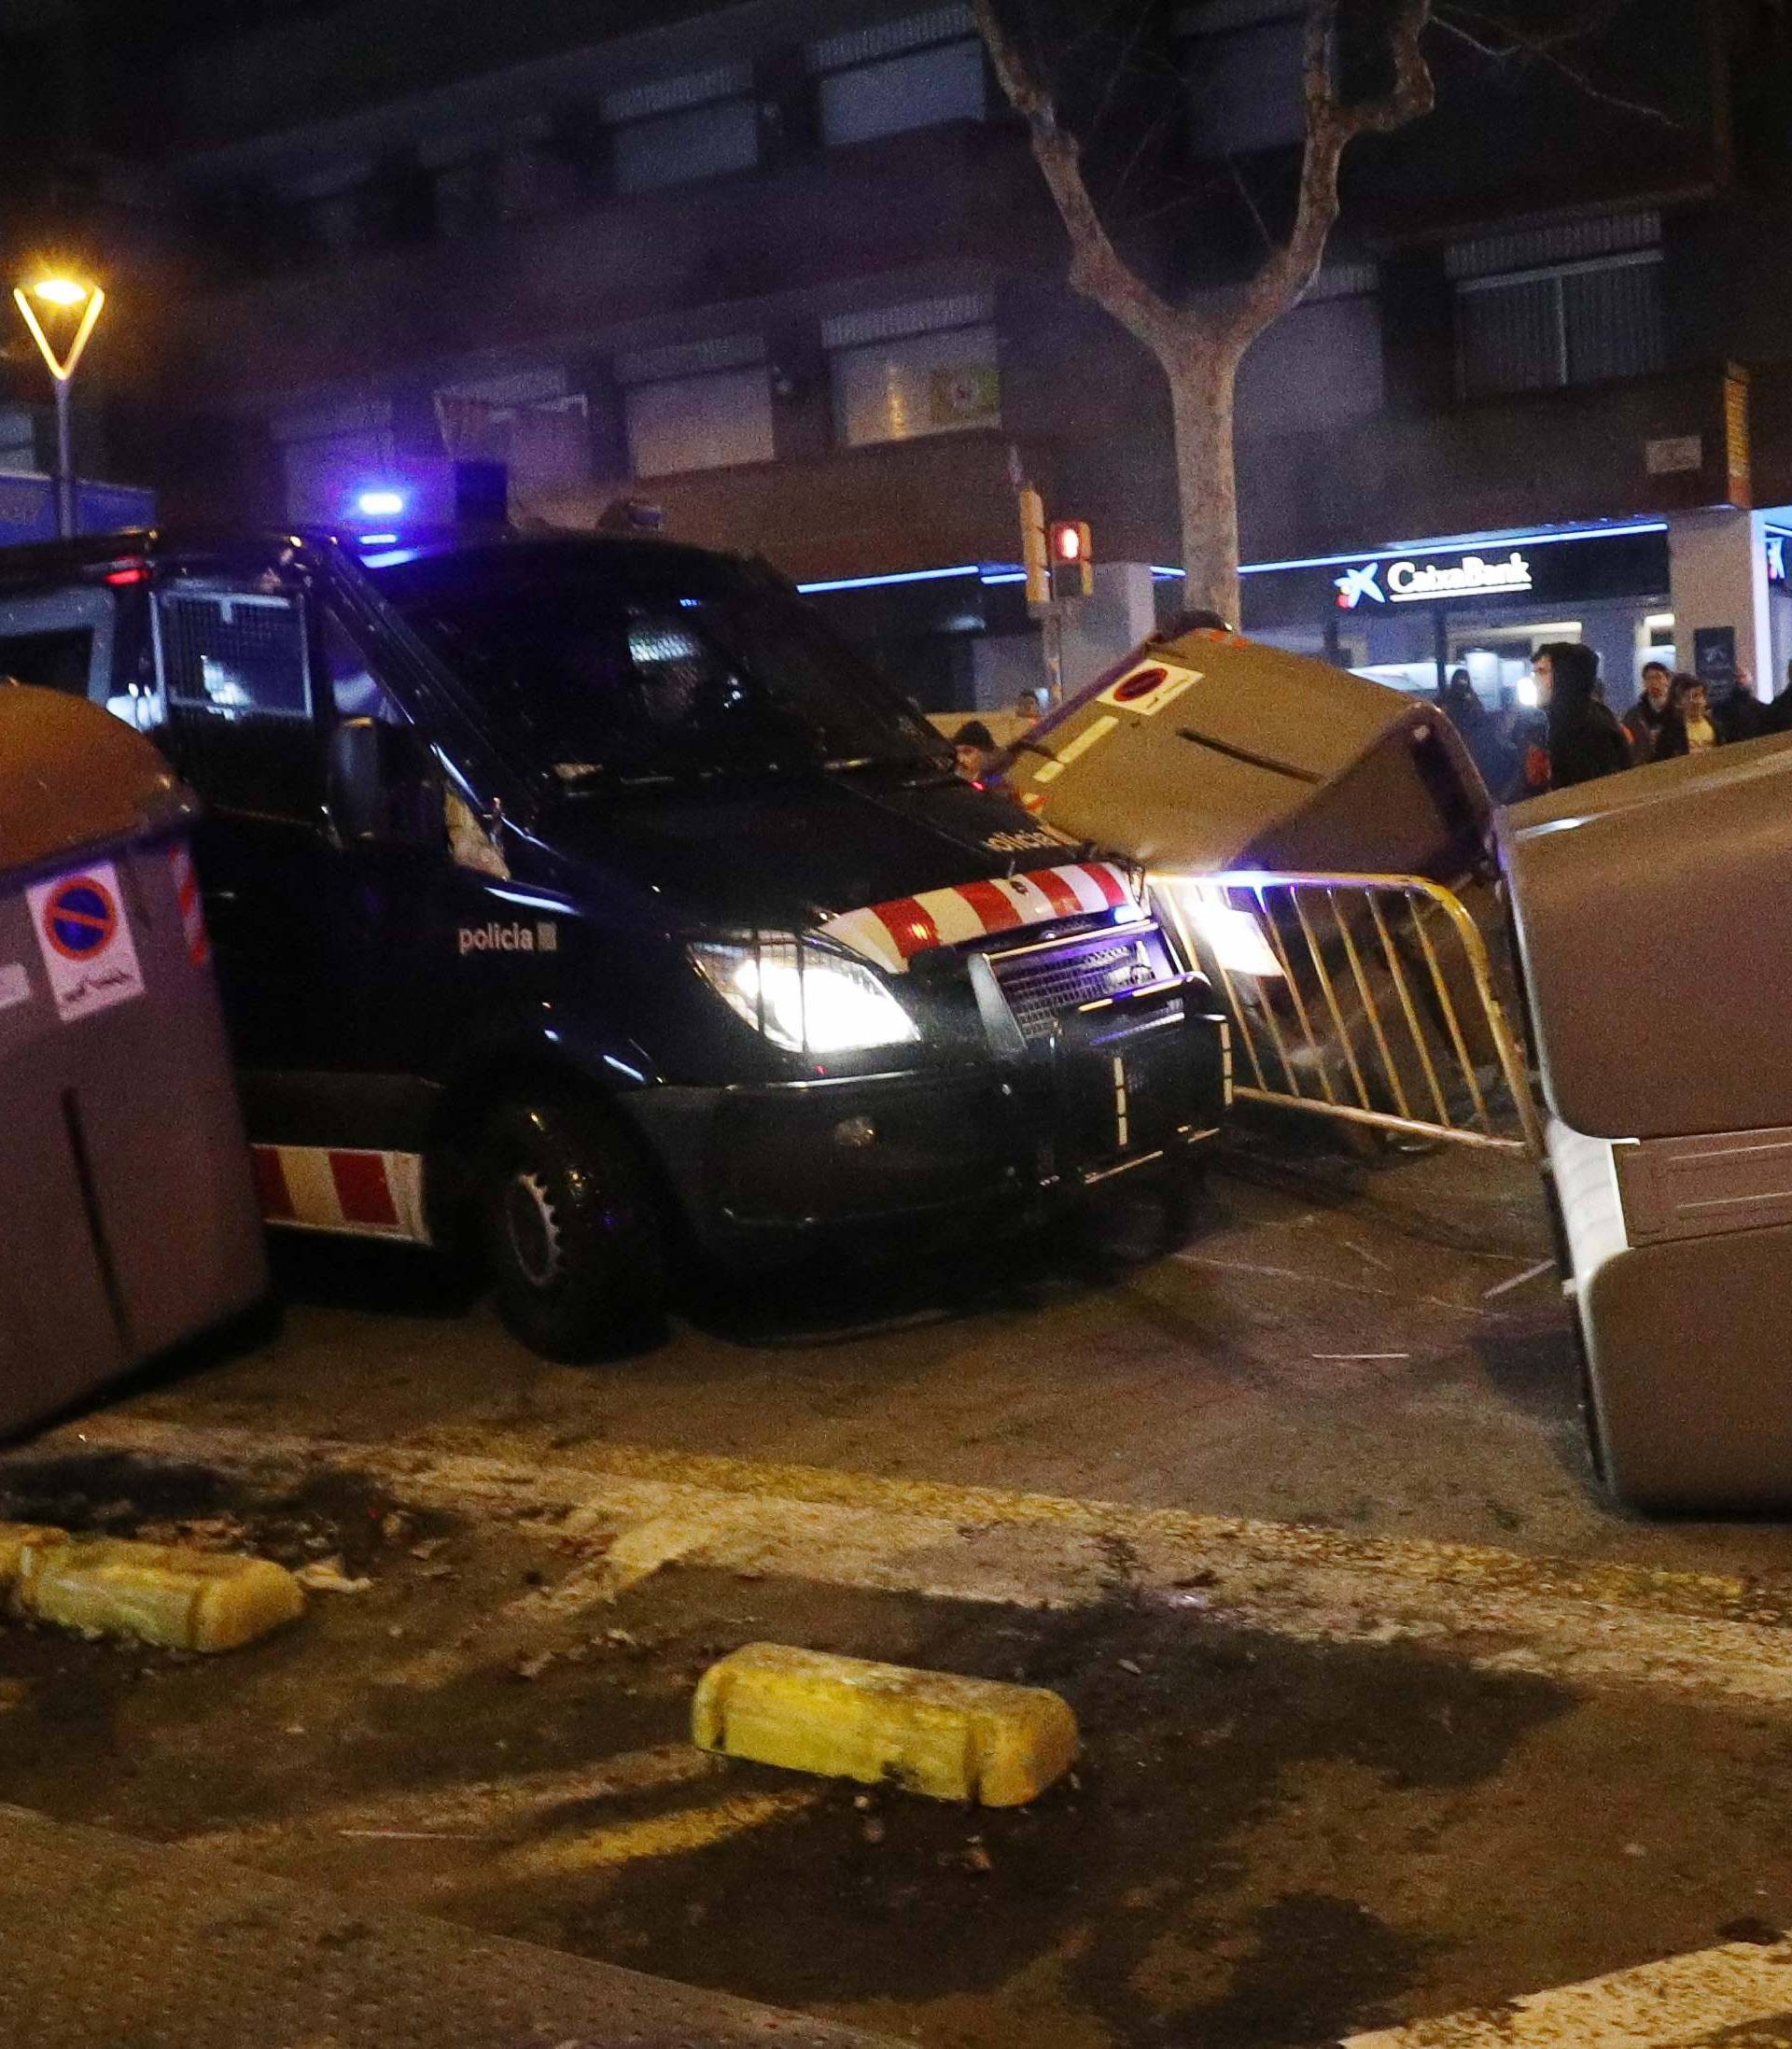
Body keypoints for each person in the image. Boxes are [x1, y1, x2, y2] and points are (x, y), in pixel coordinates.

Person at [1507, 640, 1631, 800]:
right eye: (1535, 673)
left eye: (1542, 672)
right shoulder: (1562, 722)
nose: (1535, 681)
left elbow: (1594, 797)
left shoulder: (1589, 729)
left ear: (1565, 677)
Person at [1438, 667, 1515, 793]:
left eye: (1464, 680)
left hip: (1474, 742)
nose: (1462, 683)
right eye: (1460, 680)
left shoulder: (1471, 698)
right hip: (1456, 740)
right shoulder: (1447, 699)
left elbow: (1481, 717)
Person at [1655, 673, 1722, 758]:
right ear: (1679, 703)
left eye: (1699, 696)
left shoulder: (1715, 726)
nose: (1696, 702)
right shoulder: (1670, 731)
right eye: (1692, 697)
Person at [1624, 660, 1673, 764]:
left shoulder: (1677, 712)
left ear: (1667, 680)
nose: (1653, 682)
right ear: (1644, 683)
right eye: (1649, 678)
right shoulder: (1634, 715)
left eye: (1658, 677)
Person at [951, 718, 997, 782]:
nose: (960, 759)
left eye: (967, 752)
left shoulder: (994, 782)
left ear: (985, 754)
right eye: (957, 753)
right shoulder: (950, 780)